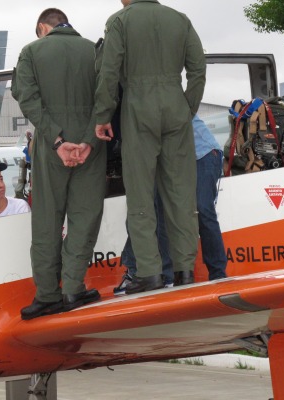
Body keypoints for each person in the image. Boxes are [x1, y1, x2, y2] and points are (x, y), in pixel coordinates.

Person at [94, 0, 206, 294]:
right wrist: (187, 107)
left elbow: (108, 71)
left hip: (138, 107)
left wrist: (104, 114)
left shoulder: (120, 21)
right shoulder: (180, 19)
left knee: (141, 193)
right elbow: (198, 68)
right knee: (181, 194)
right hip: (175, 105)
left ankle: (149, 272)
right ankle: (184, 271)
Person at [12, 8, 106, 320]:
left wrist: (56, 141)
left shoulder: (31, 52)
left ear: (42, 27)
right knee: (83, 217)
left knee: (46, 221)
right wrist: (88, 142)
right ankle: (73, 289)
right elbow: (107, 97)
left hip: (50, 147)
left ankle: (47, 296)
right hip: (90, 145)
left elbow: (26, 98)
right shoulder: (93, 50)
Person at [115, 115, 228, 294]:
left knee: (202, 208)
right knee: (163, 212)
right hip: (172, 163)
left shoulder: (165, 99)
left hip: (202, 154)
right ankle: (166, 277)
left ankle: (218, 274)